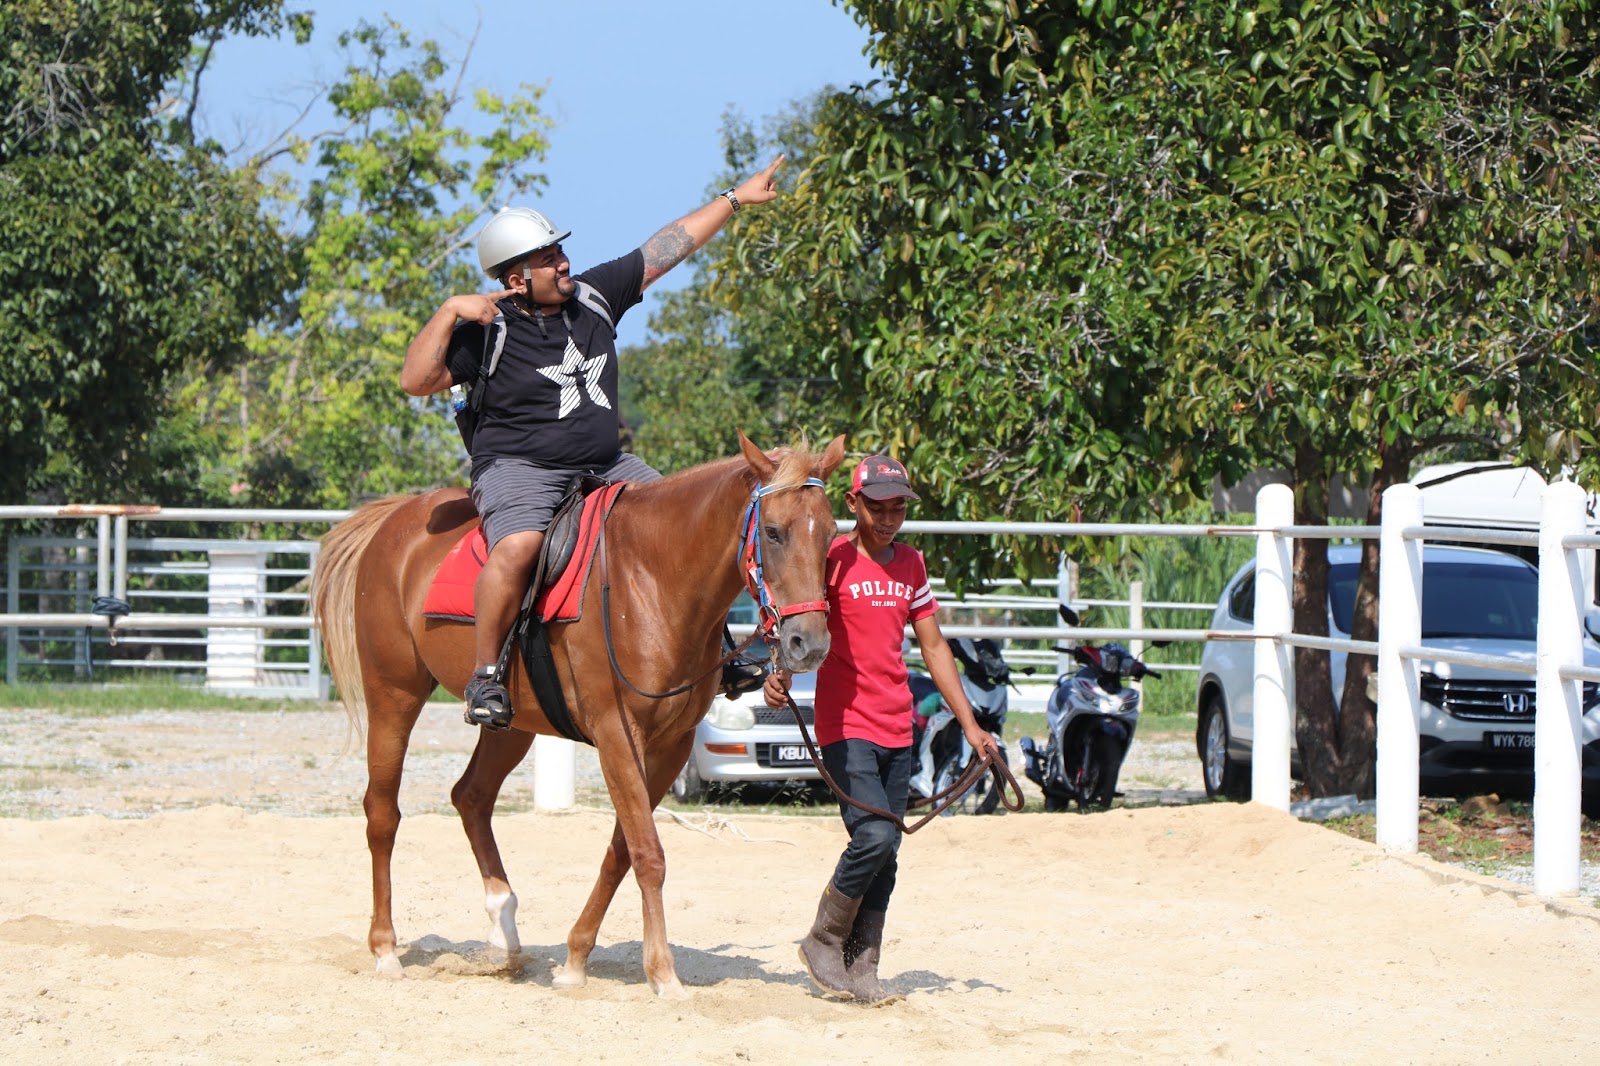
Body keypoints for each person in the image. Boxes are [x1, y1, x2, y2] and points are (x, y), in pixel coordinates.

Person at [400, 156, 785, 730]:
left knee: (689, 527)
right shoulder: (488, 328)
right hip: (518, 467)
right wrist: (450, 310)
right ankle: (485, 675)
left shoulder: (594, 297)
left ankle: (719, 658)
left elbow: (666, 248)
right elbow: (415, 381)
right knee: (520, 546)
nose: (564, 263)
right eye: (548, 258)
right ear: (514, 279)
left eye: (560, 251)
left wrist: (734, 199)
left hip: (608, 463)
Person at [763, 453, 1000, 1004]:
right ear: (854, 504)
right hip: (846, 725)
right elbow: (799, 615)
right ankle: (823, 938)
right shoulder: (834, 559)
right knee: (873, 835)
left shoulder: (911, 565)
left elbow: (934, 645)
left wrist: (972, 727)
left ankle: (862, 963)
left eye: (898, 508)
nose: (889, 517)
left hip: (898, 724)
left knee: (888, 851)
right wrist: (780, 674)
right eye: (878, 507)